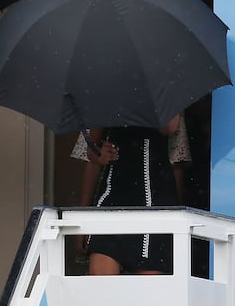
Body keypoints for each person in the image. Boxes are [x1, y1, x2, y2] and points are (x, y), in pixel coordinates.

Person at [72, 113, 191, 275]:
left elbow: (170, 129)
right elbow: (91, 152)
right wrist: (100, 153)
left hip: (155, 201)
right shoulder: (103, 92)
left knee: (147, 296)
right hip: (113, 198)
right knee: (100, 291)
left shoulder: (163, 91)